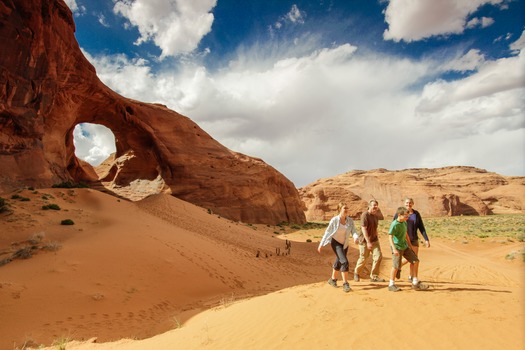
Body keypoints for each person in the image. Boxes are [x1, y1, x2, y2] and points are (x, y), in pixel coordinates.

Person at [318, 202, 358, 293]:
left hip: (345, 244)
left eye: (347, 208)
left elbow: (354, 231)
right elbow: (327, 232)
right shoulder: (334, 220)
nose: (346, 210)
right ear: (339, 209)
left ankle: (332, 280)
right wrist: (321, 244)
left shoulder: (350, 221)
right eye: (345, 208)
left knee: (339, 261)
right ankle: (345, 284)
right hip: (335, 243)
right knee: (344, 261)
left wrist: (356, 238)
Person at [388, 207, 428, 291]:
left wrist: (410, 245)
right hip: (397, 247)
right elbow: (390, 237)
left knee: (415, 261)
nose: (408, 217)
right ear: (399, 215)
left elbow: (406, 234)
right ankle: (391, 284)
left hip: (405, 246)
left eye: (408, 216)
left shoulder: (404, 222)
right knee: (395, 266)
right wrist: (394, 249)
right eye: (406, 216)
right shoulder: (394, 224)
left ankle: (415, 282)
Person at [393, 197, 430, 281]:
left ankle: (411, 276)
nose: (408, 204)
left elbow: (421, 227)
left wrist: (426, 239)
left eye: (410, 203)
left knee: (414, 259)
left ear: (412, 204)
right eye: (406, 203)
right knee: (407, 258)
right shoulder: (399, 213)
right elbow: (394, 226)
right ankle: (398, 267)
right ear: (404, 203)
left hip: (413, 239)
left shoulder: (416, 214)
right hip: (403, 239)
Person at [353, 199, 385, 282]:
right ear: (369, 206)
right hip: (364, 241)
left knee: (378, 256)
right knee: (363, 258)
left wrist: (376, 237)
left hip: (374, 240)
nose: (375, 207)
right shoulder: (365, 215)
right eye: (374, 205)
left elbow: (375, 228)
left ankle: (374, 276)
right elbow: (364, 229)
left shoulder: (376, 216)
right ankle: (356, 273)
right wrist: (368, 242)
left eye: (376, 205)